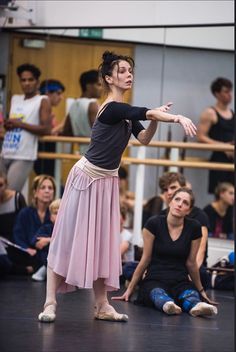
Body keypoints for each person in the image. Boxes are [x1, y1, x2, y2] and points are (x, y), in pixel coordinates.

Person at [38, 50, 197, 324]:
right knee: (66, 239)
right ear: (109, 78)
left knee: (103, 244)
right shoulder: (111, 108)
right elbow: (140, 111)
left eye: (130, 70)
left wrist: (156, 119)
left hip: (107, 182)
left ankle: (102, 305)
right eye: (122, 71)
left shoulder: (124, 114)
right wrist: (175, 117)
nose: (128, 74)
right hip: (86, 179)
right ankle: (50, 301)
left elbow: (144, 138)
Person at [113, 188, 218, 317]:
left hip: (180, 279)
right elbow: (145, 259)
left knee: (189, 294)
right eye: (177, 199)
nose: (180, 204)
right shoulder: (153, 224)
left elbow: (191, 263)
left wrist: (201, 291)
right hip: (155, 278)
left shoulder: (194, 227)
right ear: (170, 202)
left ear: (189, 210)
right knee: (157, 293)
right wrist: (129, 290)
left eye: (185, 203)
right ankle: (167, 304)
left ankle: (196, 305)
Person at [0, 64, 52, 192]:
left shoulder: (42, 100)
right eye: (23, 80)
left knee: (9, 195)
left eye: (30, 80)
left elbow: (46, 129)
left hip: (24, 155)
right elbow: (15, 124)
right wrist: (9, 124)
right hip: (6, 150)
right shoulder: (15, 99)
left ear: (37, 82)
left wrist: (20, 124)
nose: (27, 83)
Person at [197, 77, 234, 194]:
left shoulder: (233, 113)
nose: (230, 95)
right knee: (221, 195)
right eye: (226, 91)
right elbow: (201, 137)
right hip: (219, 158)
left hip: (232, 159)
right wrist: (223, 147)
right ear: (217, 94)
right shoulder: (210, 113)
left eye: (230, 91)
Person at [12, 174, 56, 272]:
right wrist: (27, 249)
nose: (47, 191)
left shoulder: (58, 215)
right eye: (42, 187)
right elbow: (18, 237)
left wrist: (49, 240)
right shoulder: (25, 213)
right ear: (35, 192)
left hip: (49, 255)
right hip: (28, 255)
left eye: (50, 188)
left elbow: (65, 238)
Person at [61, 69, 102, 155]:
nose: (102, 88)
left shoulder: (73, 104)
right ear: (88, 86)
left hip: (82, 153)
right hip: (97, 153)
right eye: (99, 85)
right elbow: (100, 132)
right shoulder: (93, 104)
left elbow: (66, 132)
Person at [34, 79, 65, 176]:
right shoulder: (39, 110)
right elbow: (44, 132)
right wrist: (62, 124)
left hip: (50, 152)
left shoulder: (49, 112)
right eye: (59, 93)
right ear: (48, 94)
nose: (61, 98)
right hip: (43, 154)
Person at [31, 198, 61, 282]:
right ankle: (45, 269)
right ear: (51, 217)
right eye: (55, 213)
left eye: (61, 213)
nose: (58, 215)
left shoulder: (70, 230)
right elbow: (36, 242)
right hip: (48, 259)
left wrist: (49, 240)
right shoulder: (46, 228)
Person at [0, 170, 26, 242]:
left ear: (6, 184)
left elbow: (26, 223)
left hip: (16, 242)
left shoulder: (17, 198)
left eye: (0, 185)